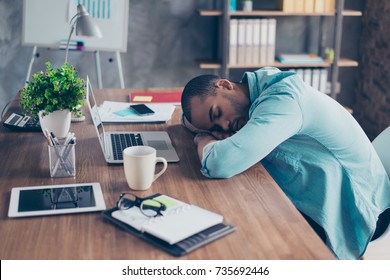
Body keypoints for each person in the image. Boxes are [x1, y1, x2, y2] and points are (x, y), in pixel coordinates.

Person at [180, 67, 390, 260]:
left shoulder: (283, 100)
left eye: (217, 114)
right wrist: (205, 127)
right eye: (215, 127)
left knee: (245, 237)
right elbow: (188, 119)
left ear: (225, 85)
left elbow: (221, 163)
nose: (224, 127)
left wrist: (204, 139)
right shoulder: (258, 89)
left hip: (357, 209)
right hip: (323, 189)